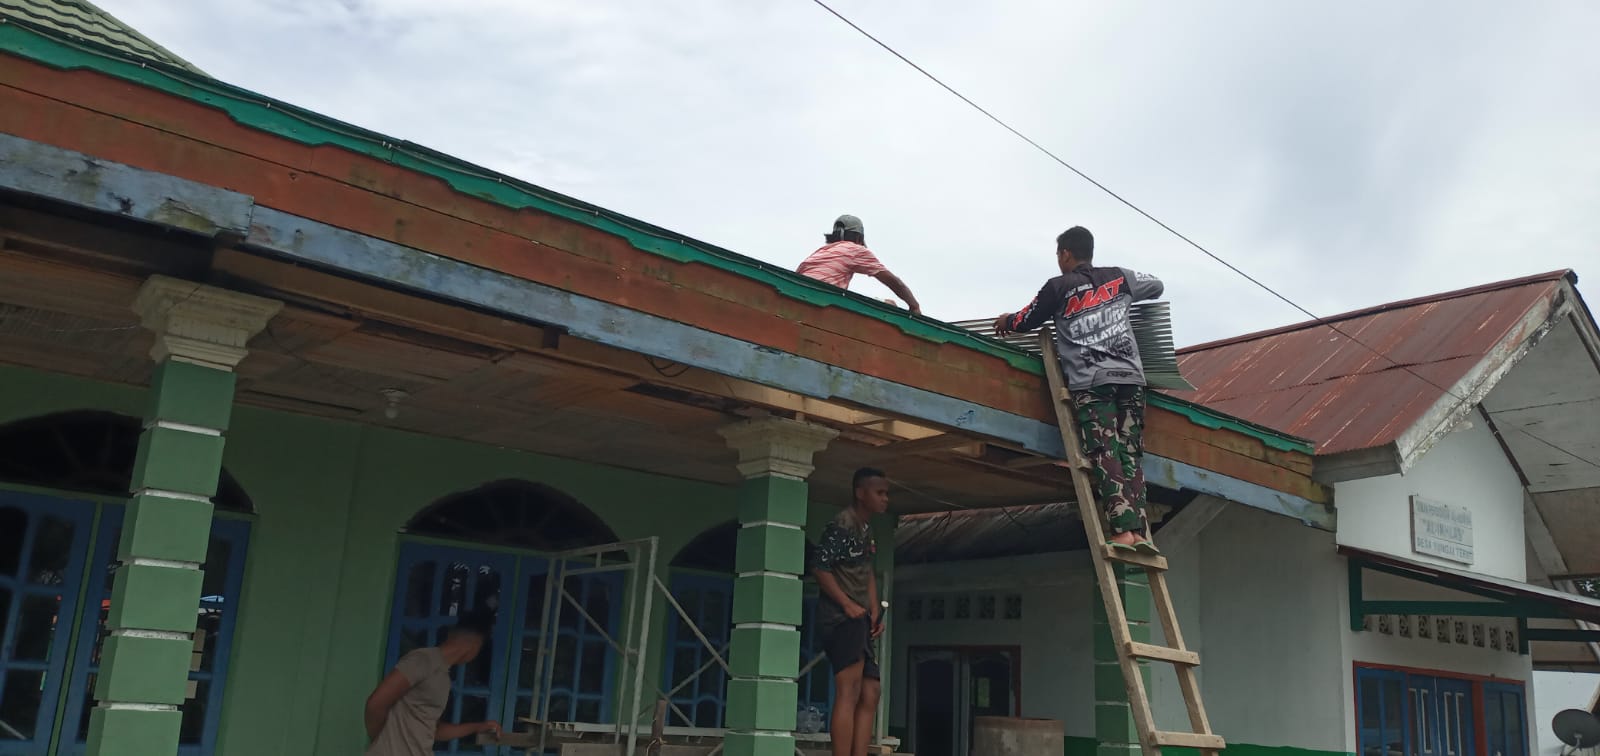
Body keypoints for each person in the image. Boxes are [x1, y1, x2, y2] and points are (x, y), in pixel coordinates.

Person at [993, 226, 1165, 553]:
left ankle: (1123, 532)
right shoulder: (1119, 277)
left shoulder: (1058, 287)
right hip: (1131, 379)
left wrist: (1006, 321)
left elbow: (1027, 319)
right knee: (1130, 452)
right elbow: (1156, 285)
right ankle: (1140, 532)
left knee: (1105, 451)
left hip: (1092, 382)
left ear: (1065, 254)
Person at [813, 467, 890, 756]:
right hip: (840, 618)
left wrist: (874, 609)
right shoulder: (841, 525)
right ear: (860, 493)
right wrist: (847, 604)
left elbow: (866, 570)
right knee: (850, 689)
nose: (885, 499)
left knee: (871, 692)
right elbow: (819, 568)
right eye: (879, 493)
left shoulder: (867, 529)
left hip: (861, 619)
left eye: (886, 493)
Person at [364, 610, 501, 756]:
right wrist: (382, 744)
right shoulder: (423, 660)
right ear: (475, 646)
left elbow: (433, 729)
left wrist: (477, 727)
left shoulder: (443, 676)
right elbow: (376, 704)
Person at [797, 215, 922, 314]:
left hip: (799, 296)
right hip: (822, 301)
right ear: (858, 237)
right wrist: (914, 306)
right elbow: (894, 282)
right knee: (889, 305)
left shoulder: (821, 251)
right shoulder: (855, 250)